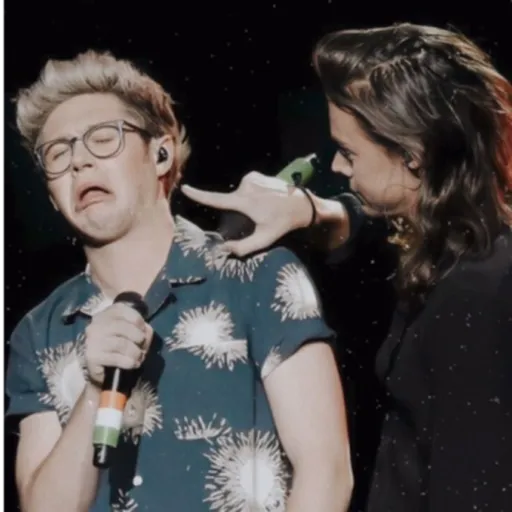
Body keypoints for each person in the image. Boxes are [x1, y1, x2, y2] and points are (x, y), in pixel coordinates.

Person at [181, 22, 512, 512]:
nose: (337, 167)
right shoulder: (459, 249)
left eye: (349, 151)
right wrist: (313, 211)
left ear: (412, 155)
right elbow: (370, 230)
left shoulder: (476, 294)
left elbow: (474, 487)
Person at [4, 50, 354, 511]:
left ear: (161, 153)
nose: (79, 162)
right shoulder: (40, 332)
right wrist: (93, 390)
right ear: (51, 196)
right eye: (58, 153)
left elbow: (326, 473)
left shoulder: (256, 278)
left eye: (103, 139)